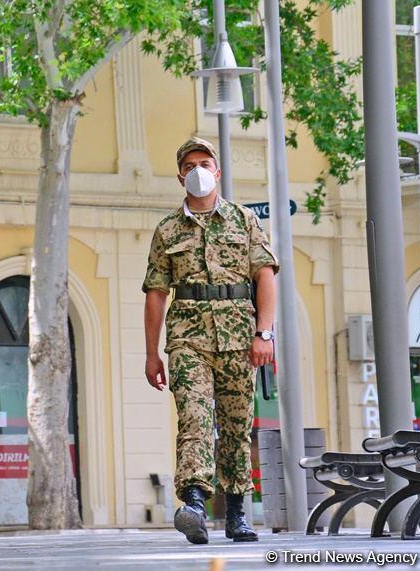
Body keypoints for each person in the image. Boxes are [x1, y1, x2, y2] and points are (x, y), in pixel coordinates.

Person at [142, 137, 278, 545]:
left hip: (240, 334)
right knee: (196, 419)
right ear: (180, 175)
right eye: (190, 164)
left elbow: (265, 275)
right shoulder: (167, 229)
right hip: (187, 337)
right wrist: (152, 355)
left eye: (205, 162)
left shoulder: (243, 220)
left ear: (217, 171)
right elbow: (155, 293)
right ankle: (196, 503)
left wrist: (264, 333)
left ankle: (237, 513)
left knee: (237, 425)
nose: (198, 169)